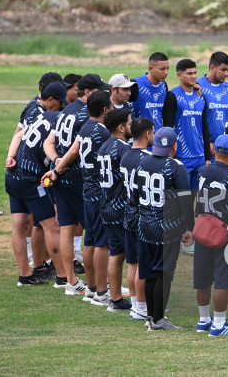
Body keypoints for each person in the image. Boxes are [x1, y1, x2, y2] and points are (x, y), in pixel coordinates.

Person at [43, 73, 111, 296]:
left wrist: (55, 164)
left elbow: (48, 142)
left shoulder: (65, 111)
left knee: (66, 227)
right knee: (93, 232)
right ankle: (99, 285)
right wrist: (61, 166)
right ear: (89, 93)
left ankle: (70, 281)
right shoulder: (86, 115)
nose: (105, 93)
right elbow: (76, 149)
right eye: (100, 90)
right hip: (79, 178)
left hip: (61, 177)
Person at [6, 81, 68, 287]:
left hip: (13, 175)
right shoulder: (58, 120)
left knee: (19, 226)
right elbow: (49, 147)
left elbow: (19, 134)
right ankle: (63, 277)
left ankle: (25, 275)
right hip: (30, 180)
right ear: (52, 101)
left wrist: (10, 156)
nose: (61, 106)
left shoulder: (39, 115)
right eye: (60, 102)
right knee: (52, 226)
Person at [134, 127, 194, 331]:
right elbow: (186, 200)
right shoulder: (176, 166)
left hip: (144, 224)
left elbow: (134, 195)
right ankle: (159, 319)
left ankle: (151, 316)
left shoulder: (142, 162)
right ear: (174, 146)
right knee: (163, 273)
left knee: (149, 273)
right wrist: (189, 228)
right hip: (166, 227)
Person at [193, 134, 228, 337]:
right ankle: (218, 324)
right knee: (223, 279)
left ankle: (203, 320)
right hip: (225, 231)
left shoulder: (202, 171)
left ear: (214, 151)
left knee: (203, 277)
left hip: (202, 228)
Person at [96, 108, 134, 312]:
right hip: (122, 209)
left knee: (116, 254)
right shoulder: (124, 149)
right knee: (135, 259)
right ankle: (140, 302)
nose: (132, 125)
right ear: (121, 127)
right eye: (130, 122)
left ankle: (116, 299)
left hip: (106, 207)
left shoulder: (103, 147)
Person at [120, 117, 155, 321]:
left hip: (128, 212)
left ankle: (136, 306)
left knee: (133, 263)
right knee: (143, 264)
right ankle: (143, 308)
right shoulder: (147, 158)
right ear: (147, 134)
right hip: (143, 214)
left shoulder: (125, 155)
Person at [162, 58, 210, 191]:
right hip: (182, 157)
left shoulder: (201, 97)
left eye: (195, 73)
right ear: (179, 75)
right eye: (189, 73)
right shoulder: (172, 96)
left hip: (200, 157)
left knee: (197, 198)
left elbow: (205, 129)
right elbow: (168, 128)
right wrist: (172, 155)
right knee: (182, 198)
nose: (194, 76)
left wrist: (207, 157)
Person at [196, 51, 228, 153]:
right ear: (212, 67)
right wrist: (205, 142)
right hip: (206, 148)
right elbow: (195, 119)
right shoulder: (198, 86)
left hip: (225, 148)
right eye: (223, 70)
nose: (226, 74)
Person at [133, 52, 169, 130]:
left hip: (158, 139)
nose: (166, 72)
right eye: (162, 69)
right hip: (140, 139)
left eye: (167, 68)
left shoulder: (164, 86)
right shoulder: (135, 84)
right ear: (150, 69)